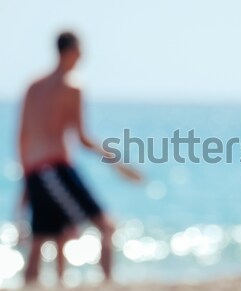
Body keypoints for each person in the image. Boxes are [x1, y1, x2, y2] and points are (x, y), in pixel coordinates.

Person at [18, 31, 141, 285]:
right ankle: (108, 284)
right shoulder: (73, 86)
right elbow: (82, 138)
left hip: (34, 169)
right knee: (106, 226)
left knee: (44, 238)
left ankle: (38, 285)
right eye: (81, 49)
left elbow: (22, 135)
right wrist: (113, 159)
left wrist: (27, 177)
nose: (84, 55)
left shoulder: (33, 85)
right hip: (56, 167)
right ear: (72, 50)